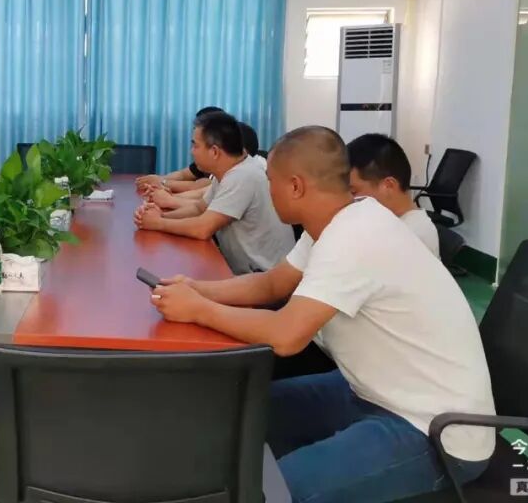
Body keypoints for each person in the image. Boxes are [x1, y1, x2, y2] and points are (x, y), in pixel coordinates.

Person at [151, 126, 494, 503]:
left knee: (271, 491)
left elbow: (286, 335)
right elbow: (272, 284)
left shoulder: (356, 236)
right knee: (241, 414)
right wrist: (196, 288)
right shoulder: (336, 222)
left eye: (271, 182)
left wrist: (199, 309)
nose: (268, 190)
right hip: (371, 392)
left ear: (295, 186)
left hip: (435, 430)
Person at [134, 111, 295, 275]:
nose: (191, 151)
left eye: (195, 145)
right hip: (245, 273)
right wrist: (160, 216)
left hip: (266, 278)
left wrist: (158, 223)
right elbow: (199, 208)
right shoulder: (231, 171)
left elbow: (202, 229)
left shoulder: (243, 176)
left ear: (215, 152)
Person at [347, 133, 439, 256]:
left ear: (388, 186)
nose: (349, 199)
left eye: (353, 192)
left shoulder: (412, 236)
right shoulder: (387, 222)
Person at [135, 106, 223, 194]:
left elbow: (200, 187)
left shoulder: (224, 160)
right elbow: (183, 174)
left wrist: (161, 183)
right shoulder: (206, 157)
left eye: (197, 128)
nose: (192, 151)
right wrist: (159, 179)